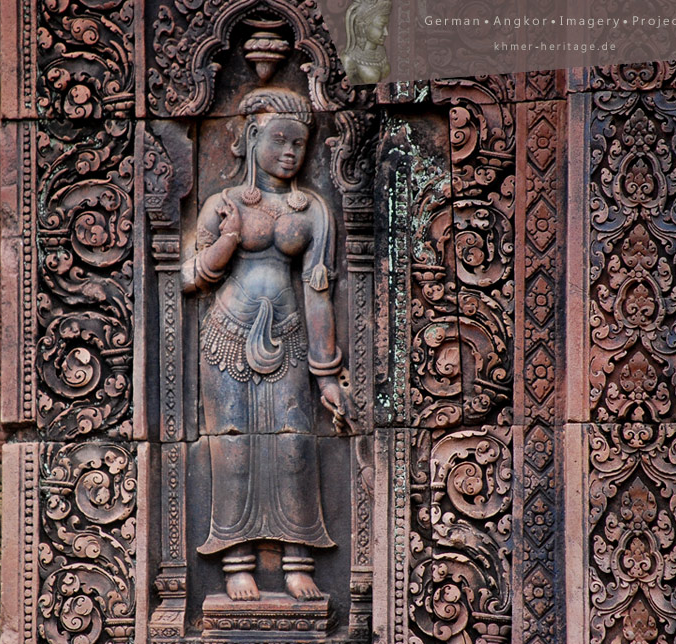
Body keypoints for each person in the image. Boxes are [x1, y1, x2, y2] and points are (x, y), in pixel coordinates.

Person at [181, 87, 353, 602]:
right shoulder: (225, 203)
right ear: (251, 136)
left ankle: (298, 560)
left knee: (295, 445)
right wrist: (229, 240)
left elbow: (318, 292)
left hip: (290, 338)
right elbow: (189, 276)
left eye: (300, 144)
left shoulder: (313, 211)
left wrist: (327, 375)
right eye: (279, 139)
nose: (290, 152)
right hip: (227, 338)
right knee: (232, 447)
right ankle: (237, 563)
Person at [340, 0, 392, 84]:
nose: (386, 33)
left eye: (387, 26)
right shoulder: (348, 60)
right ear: (363, 27)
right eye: (381, 26)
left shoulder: (381, 52)